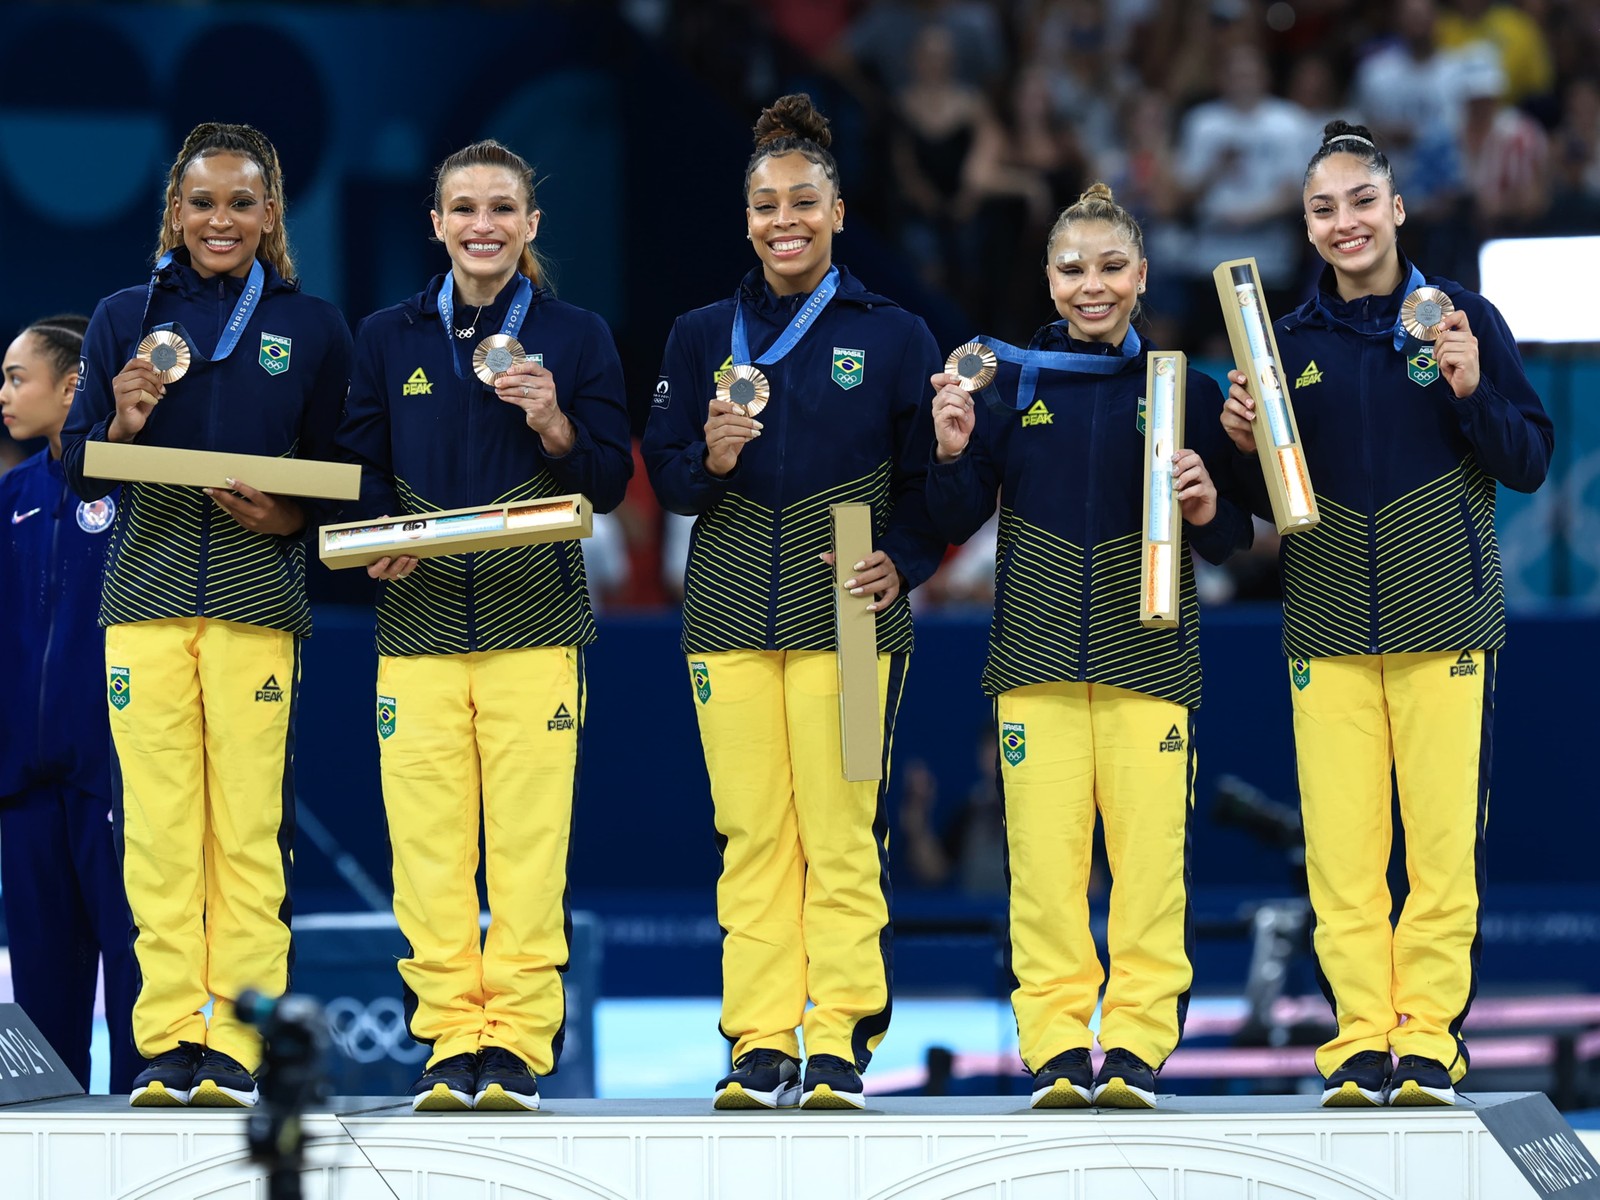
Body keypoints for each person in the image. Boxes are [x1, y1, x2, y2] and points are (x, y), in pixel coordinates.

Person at [1221, 120, 1552, 1108]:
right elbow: (1253, 513)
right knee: (1343, 856)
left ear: (1396, 208)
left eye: (1362, 202)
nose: (1344, 222)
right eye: (1323, 208)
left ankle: (1428, 1046)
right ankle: (1360, 1045)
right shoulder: (1281, 344)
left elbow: (1526, 461)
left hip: (1443, 625)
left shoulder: (1462, 318)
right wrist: (1239, 446)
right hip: (1324, 628)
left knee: (1441, 853)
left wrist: (1470, 389)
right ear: (1307, 224)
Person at [643, 93, 945, 1111]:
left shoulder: (895, 334)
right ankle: (762, 1037)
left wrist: (902, 559)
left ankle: (841, 1039)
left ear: (839, 211)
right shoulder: (696, 337)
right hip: (726, 611)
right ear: (744, 219)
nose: (785, 220)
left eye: (803, 202)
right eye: (766, 205)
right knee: (753, 831)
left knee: (841, 826)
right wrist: (708, 458)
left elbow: (932, 487)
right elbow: (669, 479)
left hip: (851, 618)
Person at [926, 183, 1252, 1110]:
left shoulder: (1185, 387)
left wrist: (1206, 502)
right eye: (1074, 269)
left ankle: (1140, 1044)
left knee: (1151, 869)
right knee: (1045, 871)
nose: (1092, 285)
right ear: (1049, 277)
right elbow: (953, 517)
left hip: (1150, 664)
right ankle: (1060, 1048)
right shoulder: (1014, 382)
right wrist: (951, 452)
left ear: (1143, 277)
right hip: (1034, 663)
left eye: (1112, 267)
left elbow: (1233, 540)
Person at [60, 122, 354, 1108]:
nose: (219, 219)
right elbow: (73, 463)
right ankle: (166, 1041)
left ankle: (238, 1040)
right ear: (173, 213)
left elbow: (337, 477)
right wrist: (122, 420)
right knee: (157, 832)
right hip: (143, 603)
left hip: (255, 605)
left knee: (245, 832)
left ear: (270, 213)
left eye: (240, 201)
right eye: (201, 202)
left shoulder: (312, 327)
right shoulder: (120, 317)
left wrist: (286, 511)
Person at [336, 139, 632, 1113]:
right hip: (416, 631)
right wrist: (377, 530)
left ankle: (514, 1047)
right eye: (463, 207)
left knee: (528, 852)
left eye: (501, 207)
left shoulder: (578, 336)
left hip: (534, 629)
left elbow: (606, 480)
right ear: (436, 223)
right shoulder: (387, 335)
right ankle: (448, 1042)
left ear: (531, 223)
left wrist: (552, 422)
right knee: (426, 856)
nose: (482, 225)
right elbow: (361, 471)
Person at [0, 315, 138, 1095]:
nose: (4, 394)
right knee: (42, 998)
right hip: (24, 785)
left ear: (72, 385)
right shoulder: (9, 497)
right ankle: (37, 1155)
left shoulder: (131, 484)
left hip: (115, 779)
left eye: (19, 377)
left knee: (135, 981)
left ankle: (151, 1148)